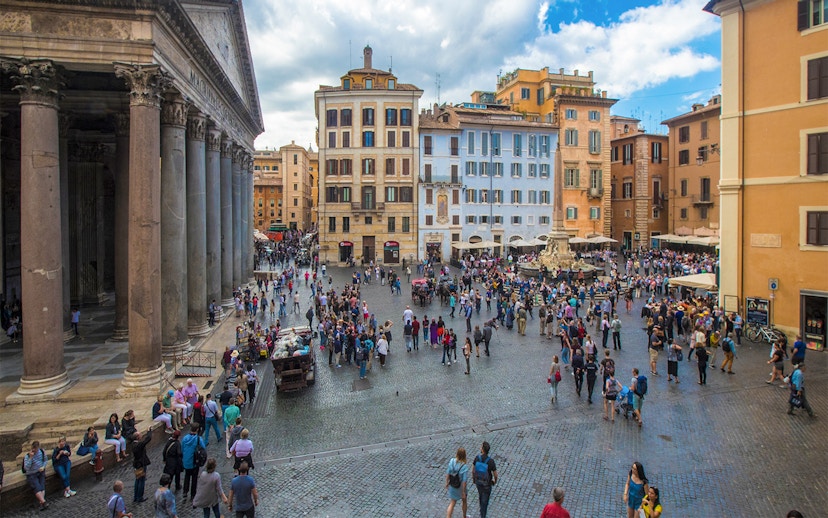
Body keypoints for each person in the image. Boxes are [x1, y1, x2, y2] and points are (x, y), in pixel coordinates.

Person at [472, 441, 498, 518]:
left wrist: (474, 480)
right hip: (487, 484)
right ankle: (483, 514)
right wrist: (494, 481)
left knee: (481, 496)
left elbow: (473, 471)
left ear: (482, 449)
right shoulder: (490, 461)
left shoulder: (477, 458)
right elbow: (495, 475)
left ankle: (481, 510)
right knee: (485, 501)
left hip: (478, 482)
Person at [181, 423, 206, 501]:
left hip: (186, 461)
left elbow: (182, 449)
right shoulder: (198, 439)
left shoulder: (185, 438)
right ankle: (193, 494)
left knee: (187, 476)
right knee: (194, 478)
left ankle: (185, 491)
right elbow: (203, 448)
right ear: (197, 429)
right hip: (194, 461)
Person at [23, 441, 48, 510]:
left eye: (36, 449)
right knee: (36, 487)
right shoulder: (27, 456)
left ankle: (41, 503)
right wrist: (31, 458)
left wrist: (43, 466)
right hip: (32, 474)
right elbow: (26, 468)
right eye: (33, 449)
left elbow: (45, 460)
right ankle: (44, 502)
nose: (35, 451)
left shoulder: (42, 452)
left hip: (41, 472)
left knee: (42, 486)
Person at [445, 447, 469, 518]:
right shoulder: (464, 466)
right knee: (464, 501)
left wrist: (447, 482)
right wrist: (463, 492)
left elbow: (448, 473)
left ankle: (448, 516)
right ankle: (464, 516)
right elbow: (464, 481)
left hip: (452, 485)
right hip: (460, 487)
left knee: (452, 503)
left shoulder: (452, 461)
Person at [131, 429, 152, 503]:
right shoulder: (139, 445)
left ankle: (135, 497)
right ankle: (140, 497)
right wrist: (149, 431)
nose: (141, 435)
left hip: (136, 464)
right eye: (140, 435)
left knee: (137, 480)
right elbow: (147, 439)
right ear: (137, 437)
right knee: (141, 481)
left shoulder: (133, 444)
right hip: (141, 463)